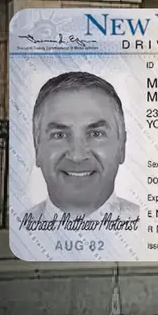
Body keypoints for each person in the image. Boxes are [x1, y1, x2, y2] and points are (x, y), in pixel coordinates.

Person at [25, 71, 139, 220]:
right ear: (37, 147)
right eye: (59, 135)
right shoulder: (19, 226)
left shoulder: (151, 227)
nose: (77, 156)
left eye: (95, 134)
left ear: (122, 146)